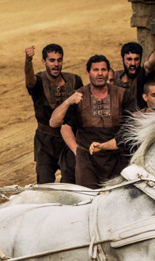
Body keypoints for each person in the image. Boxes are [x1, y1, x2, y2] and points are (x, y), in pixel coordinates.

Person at [50, 55, 131, 189]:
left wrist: (105, 146)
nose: (100, 73)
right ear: (88, 73)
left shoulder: (123, 95)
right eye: (95, 70)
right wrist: (77, 150)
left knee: (118, 196)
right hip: (87, 162)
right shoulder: (78, 96)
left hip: (116, 158)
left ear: (108, 72)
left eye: (103, 70)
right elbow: (56, 123)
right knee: (88, 197)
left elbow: (130, 128)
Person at [25, 44, 84, 184]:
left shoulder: (74, 80)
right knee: (44, 184)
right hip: (45, 142)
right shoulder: (39, 81)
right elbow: (30, 81)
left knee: (70, 183)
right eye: (52, 60)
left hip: (68, 140)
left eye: (59, 60)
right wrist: (28, 61)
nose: (56, 64)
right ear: (44, 62)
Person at [111, 35, 155, 112]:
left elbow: (150, 65)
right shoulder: (114, 77)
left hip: (140, 118)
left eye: (136, 59)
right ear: (122, 60)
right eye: (129, 59)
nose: (133, 63)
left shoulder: (142, 75)